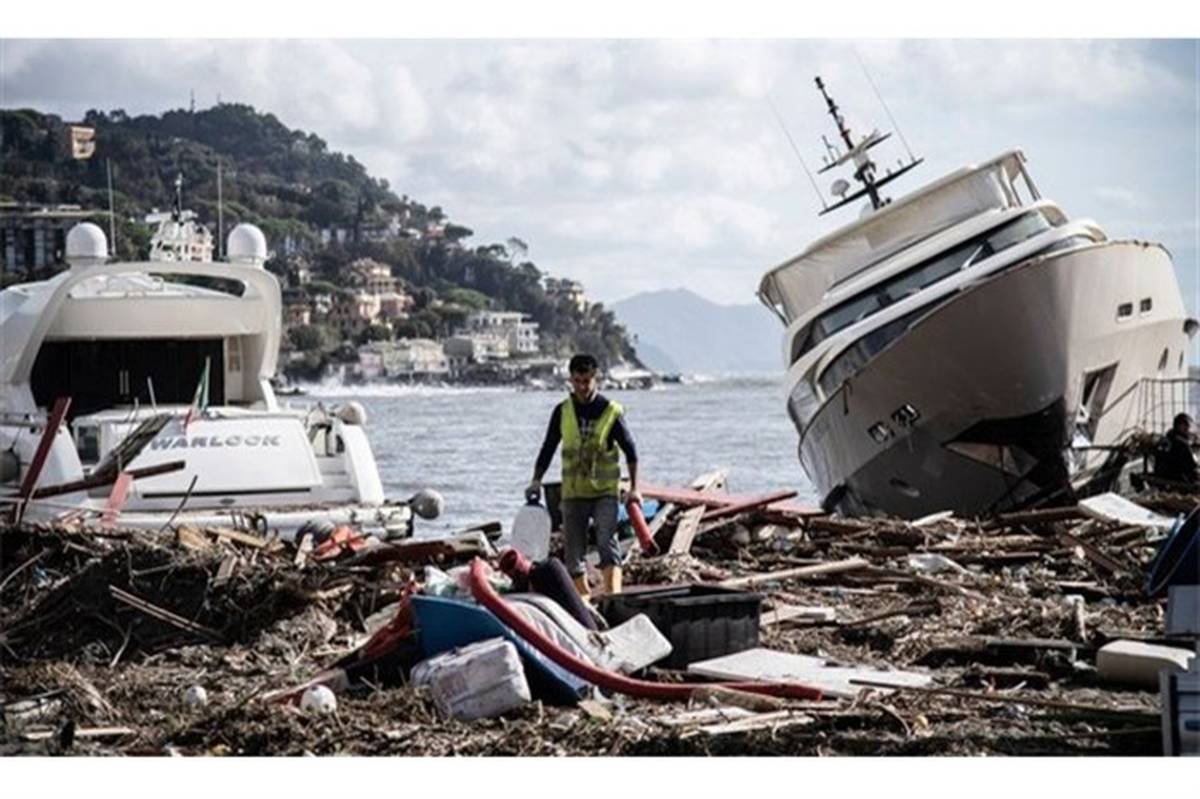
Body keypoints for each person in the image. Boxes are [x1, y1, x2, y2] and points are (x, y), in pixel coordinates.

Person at [527, 353, 640, 599]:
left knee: (606, 542)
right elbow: (548, 447)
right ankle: (584, 601)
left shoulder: (610, 412)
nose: (581, 387)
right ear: (571, 379)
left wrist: (634, 488)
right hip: (574, 493)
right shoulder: (562, 412)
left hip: (604, 493)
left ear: (595, 379)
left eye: (586, 381)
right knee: (573, 552)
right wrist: (536, 479)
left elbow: (631, 451)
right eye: (577, 381)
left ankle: (613, 596)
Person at [1155, 412, 1198, 486]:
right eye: (1185, 425)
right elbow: (1191, 467)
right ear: (1179, 425)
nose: (1187, 428)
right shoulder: (1181, 444)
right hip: (1176, 479)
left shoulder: (1167, 438)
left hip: (1161, 474)